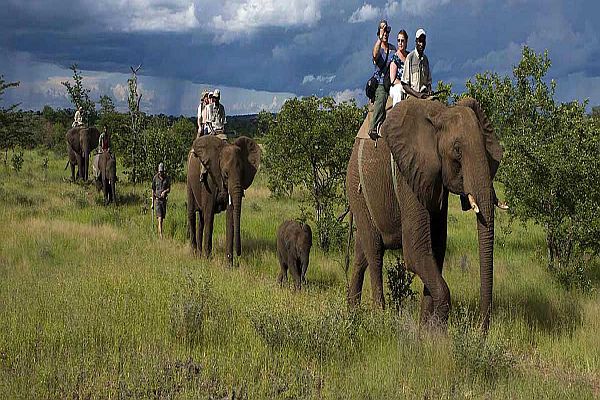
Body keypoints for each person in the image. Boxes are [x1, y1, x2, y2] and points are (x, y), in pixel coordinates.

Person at [368, 19, 396, 140]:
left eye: (387, 31)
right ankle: (373, 127)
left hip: (391, 81)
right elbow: (374, 55)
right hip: (380, 83)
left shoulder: (393, 49)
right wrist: (379, 39)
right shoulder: (378, 49)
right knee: (382, 97)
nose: (385, 33)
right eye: (383, 31)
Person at [401, 28, 432, 100]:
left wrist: (429, 90)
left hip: (424, 94)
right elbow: (404, 84)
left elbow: (428, 82)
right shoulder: (410, 57)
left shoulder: (425, 59)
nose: (421, 44)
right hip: (413, 95)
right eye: (420, 41)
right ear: (416, 41)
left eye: (423, 41)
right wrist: (417, 94)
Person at [389, 29, 409, 106]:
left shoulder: (409, 56)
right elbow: (393, 80)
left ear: (406, 42)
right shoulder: (395, 57)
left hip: (409, 85)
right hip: (397, 86)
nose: (400, 43)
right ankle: (396, 114)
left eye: (402, 41)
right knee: (399, 90)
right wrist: (404, 84)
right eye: (398, 40)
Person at [152, 162, 171, 239]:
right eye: (159, 171)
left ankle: (160, 231)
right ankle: (161, 236)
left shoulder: (167, 178)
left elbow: (169, 189)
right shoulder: (155, 178)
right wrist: (152, 203)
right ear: (158, 171)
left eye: (162, 171)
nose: (160, 173)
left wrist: (165, 192)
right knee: (159, 218)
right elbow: (152, 190)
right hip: (157, 200)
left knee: (162, 218)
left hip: (163, 201)